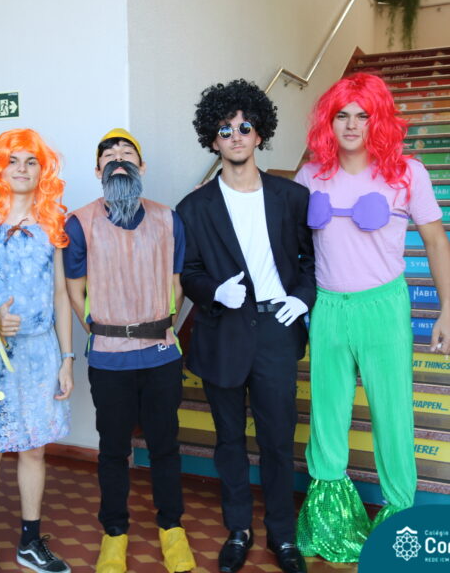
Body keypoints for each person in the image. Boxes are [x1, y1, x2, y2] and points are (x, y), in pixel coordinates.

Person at [295, 72, 450, 562]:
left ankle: (400, 523)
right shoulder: (310, 176)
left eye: (362, 115)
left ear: (378, 120)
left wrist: (447, 309)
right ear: (328, 122)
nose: (351, 125)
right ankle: (329, 524)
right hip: (327, 308)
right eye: (341, 115)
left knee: (392, 415)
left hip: (383, 308)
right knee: (326, 416)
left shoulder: (407, 173)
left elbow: (436, 242)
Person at [176, 79, 315, 573]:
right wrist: (214, 291)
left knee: (278, 440)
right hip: (224, 332)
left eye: (244, 127)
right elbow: (188, 271)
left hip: (276, 330)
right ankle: (238, 529)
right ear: (212, 140)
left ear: (259, 134)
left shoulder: (292, 196)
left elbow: (311, 260)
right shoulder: (193, 207)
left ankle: (282, 534)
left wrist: (301, 298)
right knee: (229, 441)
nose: (235, 136)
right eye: (225, 129)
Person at [64, 128, 196, 573]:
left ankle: (171, 528)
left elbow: (177, 283)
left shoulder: (168, 219)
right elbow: (74, 290)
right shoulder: (80, 223)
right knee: (113, 448)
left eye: (127, 153)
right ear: (97, 169)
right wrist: (106, 331)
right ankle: (114, 533)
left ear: (142, 167)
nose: (118, 159)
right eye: (109, 155)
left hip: (161, 354)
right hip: (108, 359)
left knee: (165, 445)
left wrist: (159, 327)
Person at [0, 129, 74, 573]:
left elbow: (60, 294)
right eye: (12, 160)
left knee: (35, 449)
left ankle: (30, 543)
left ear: (43, 170)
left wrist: (67, 359)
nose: (21, 169)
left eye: (31, 161)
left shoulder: (53, 220)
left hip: (40, 352)